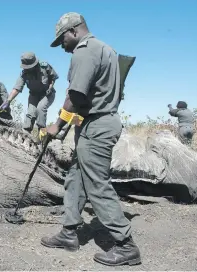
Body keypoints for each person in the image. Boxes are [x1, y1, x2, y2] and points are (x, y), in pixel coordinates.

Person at [40, 12, 141, 267]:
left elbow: (75, 96)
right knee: (75, 177)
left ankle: (125, 245)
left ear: (74, 31)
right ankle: (69, 233)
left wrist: (56, 125)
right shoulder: (106, 49)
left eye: (62, 40)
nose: (62, 46)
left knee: (97, 183)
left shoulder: (84, 51)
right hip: (94, 123)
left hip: (97, 125)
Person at [0, 52, 58, 136]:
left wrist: (50, 86)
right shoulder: (24, 73)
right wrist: (7, 102)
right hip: (34, 95)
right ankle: (26, 135)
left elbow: (53, 77)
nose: (27, 69)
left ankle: (42, 136)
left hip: (47, 94)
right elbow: (16, 89)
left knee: (40, 109)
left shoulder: (44, 66)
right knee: (30, 114)